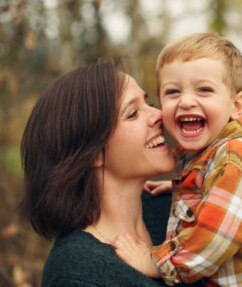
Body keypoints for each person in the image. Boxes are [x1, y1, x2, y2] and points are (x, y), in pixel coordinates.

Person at [115, 33, 242, 286]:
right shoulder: (204, 160)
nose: (186, 101)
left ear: (236, 105)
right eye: (173, 92)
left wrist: (155, 263)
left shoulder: (235, 159)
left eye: (204, 90)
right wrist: (177, 188)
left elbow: (211, 240)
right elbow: (215, 196)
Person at [18, 57, 201, 286]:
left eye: (149, 104)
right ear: (92, 152)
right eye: (133, 113)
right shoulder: (75, 273)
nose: (159, 115)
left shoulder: (181, 210)